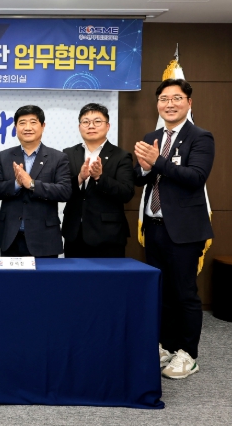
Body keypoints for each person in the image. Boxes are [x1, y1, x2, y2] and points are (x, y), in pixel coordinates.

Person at [134, 78, 214, 379]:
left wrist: (157, 161)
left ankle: (188, 354)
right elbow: (140, 177)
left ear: (189, 103)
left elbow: (195, 177)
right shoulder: (152, 136)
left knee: (185, 293)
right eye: (164, 99)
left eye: (176, 98)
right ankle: (167, 346)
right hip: (154, 227)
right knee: (162, 292)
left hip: (184, 230)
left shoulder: (201, 137)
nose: (170, 104)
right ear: (157, 104)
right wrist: (144, 167)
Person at [0, 105, 71, 257]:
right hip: (11, 237)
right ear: (15, 127)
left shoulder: (58, 157)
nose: (27, 127)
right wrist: (17, 184)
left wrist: (32, 184)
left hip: (45, 238)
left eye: (33, 122)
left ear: (43, 126)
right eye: (22, 123)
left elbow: (65, 191)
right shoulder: (3, 156)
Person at [61, 103, 135, 258]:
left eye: (97, 121)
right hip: (74, 233)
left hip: (108, 235)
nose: (91, 126)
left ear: (108, 126)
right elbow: (62, 190)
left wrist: (100, 177)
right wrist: (80, 178)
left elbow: (126, 193)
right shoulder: (68, 154)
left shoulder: (121, 156)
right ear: (79, 127)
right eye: (86, 122)